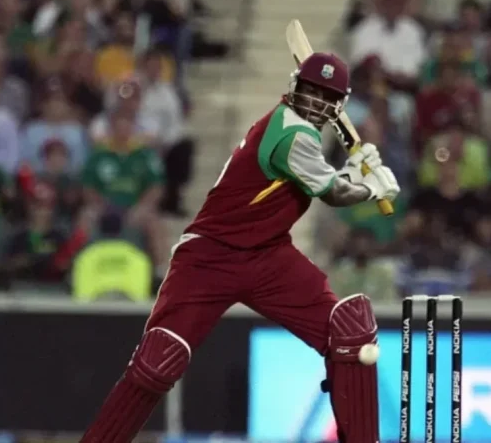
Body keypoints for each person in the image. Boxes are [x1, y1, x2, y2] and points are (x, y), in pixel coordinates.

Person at [80, 52, 401, 443]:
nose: (316, 101)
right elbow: (334, 193)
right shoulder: (291, 134)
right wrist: (371, 187)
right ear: (295, 86)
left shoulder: (300, 132)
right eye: (311, 90)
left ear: (339, 104)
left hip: (269, 254)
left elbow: (322, 177)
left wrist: (353, 170)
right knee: (157, 362)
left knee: (349, 333)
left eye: (326, 95)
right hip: (210, 256)